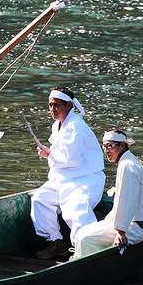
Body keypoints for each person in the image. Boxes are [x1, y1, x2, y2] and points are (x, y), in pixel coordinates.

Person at [30, 86, 105, 259]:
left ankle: (86, 249)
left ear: (69, 105)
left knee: (76, 209)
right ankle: (56, 242)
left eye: (56, 105)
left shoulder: (76, 126)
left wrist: (48, 155)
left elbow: (71, 159)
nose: (52, 109)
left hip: (84, 178)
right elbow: (62, 155)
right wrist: (49, 153)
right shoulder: (57, 125)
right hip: (63, 178)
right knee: (40, 200)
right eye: (50, 105)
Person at [72, 130, 143, 258]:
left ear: (122, 145)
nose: (106, 151)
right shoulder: (127, 163)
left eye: (109, 146)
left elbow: (128, 201)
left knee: (86, 239)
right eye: (104, 147)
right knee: (81, 232)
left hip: (132, 226)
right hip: (132, 224)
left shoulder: (127, 166)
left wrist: (121, 232)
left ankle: (87, 269)